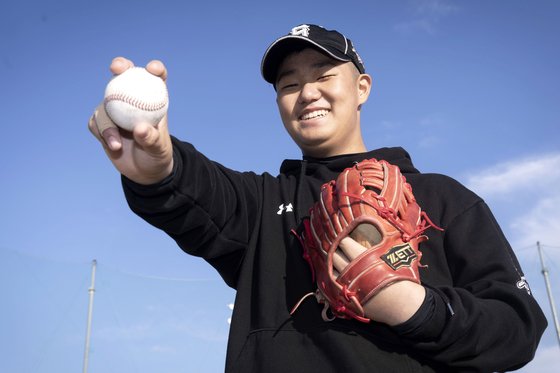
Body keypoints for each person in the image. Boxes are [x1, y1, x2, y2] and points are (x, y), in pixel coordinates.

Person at [89, 24, 547, 372]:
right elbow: (199, 191)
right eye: (288, 85)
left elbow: (518, 326)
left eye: (324, 74)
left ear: (362, 88)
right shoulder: (263, 205)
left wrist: (416, 308)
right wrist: (159, 167)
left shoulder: (443, 198)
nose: (307, 93)